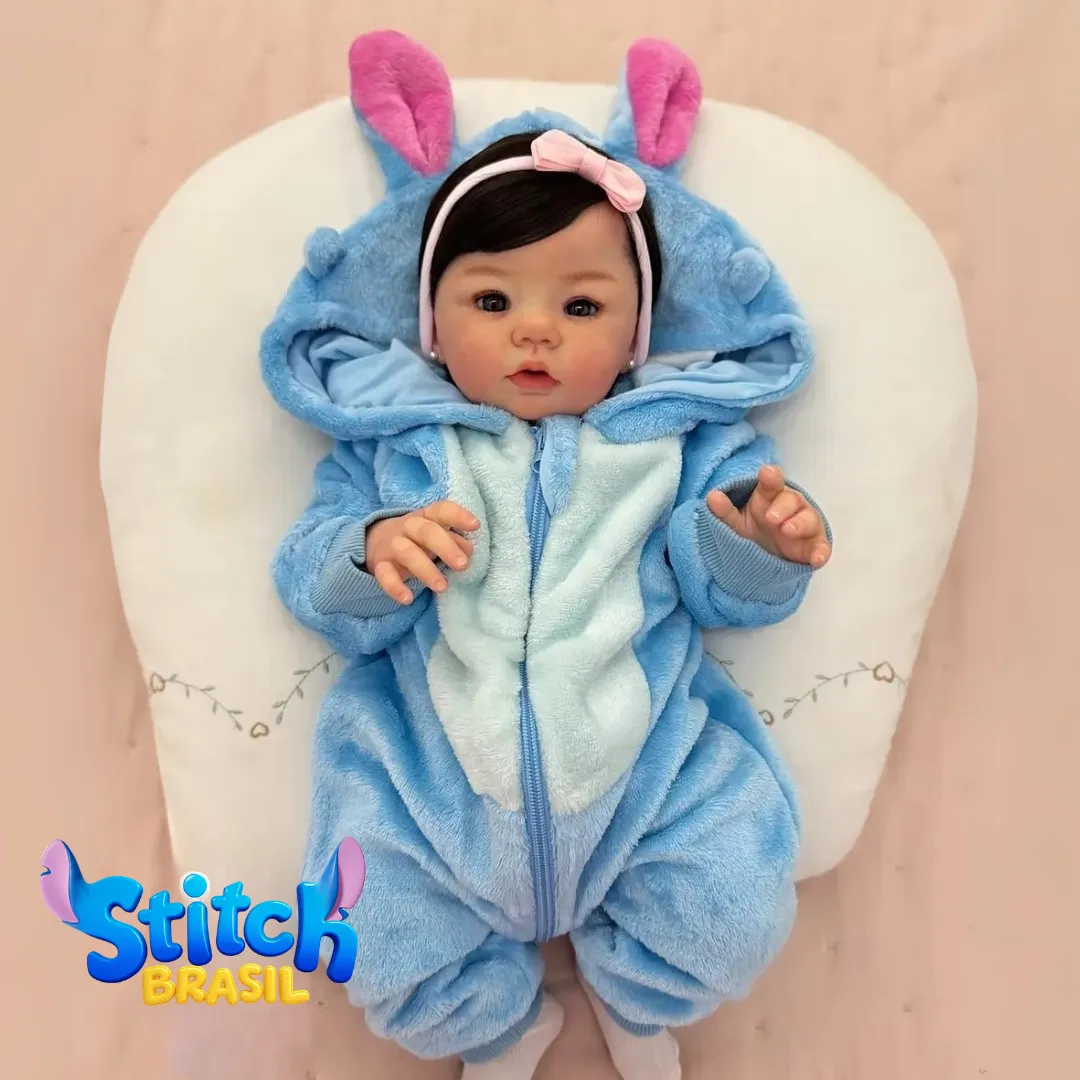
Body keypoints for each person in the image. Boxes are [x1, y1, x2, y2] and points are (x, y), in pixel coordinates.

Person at [260, 31, 832, 1080]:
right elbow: (310, 574)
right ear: (434, 328)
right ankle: (491, 1028)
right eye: (493, 301)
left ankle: (642, 992)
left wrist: (758, 545)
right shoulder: (395, 448)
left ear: (635, 335)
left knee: (736, 903)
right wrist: (371, 554)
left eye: (581, 306)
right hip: (427, 786)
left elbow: (717, 591)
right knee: (367, 931)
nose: (535, 332)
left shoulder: (675, 444)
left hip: (647, 775)